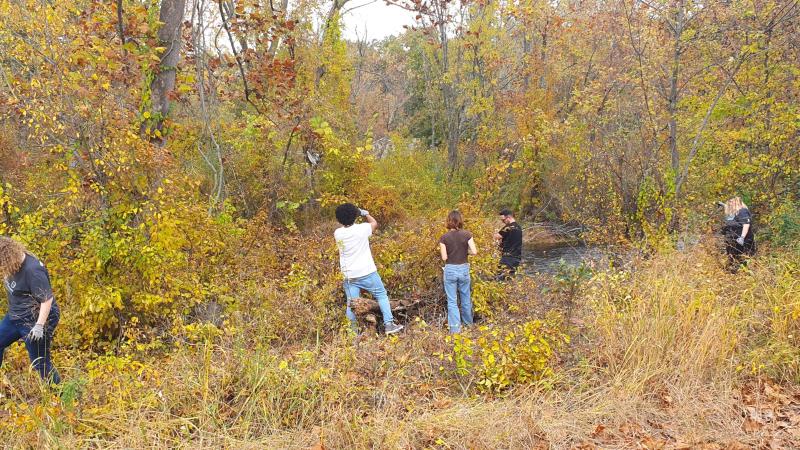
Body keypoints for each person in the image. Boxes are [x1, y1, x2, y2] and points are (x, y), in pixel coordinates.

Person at [334, 203, 404, 335]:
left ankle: (352, 333)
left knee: (351, 303)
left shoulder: (338, 233)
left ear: (339, 219)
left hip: (349, 275)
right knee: (381, 295)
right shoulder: (362, 229)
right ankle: (389, 324)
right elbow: (374, 223)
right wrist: (364, 213)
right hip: (367, 272)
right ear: (355, 216)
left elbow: (346, 225)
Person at [0, 237, 61, 384]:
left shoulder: (33, 270)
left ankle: (60, 397)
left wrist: (39, 326)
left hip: (36, 319)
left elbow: (47, 300)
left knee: (40, 362)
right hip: (16, 316)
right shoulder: (12, 265)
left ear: (8, 257)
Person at [438, 210, 478, 333]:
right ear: (460, 220)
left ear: (448, 221)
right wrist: (466, 252)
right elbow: (475, 251)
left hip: (450, 269)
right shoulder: (467, 234)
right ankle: (468, 325)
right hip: (464, 269)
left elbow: (444, 258)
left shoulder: (444, 238)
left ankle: (455, 330)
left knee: (452, 301)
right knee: (466, 297)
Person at [720, 196, 756, 268]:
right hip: (732, 241)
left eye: (732, 202)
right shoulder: (733, 213)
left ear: (737, 203)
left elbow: (746, 225)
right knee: (733, 260)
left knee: (744, 260)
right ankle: (734, 274)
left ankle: (745, 275)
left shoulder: (743, 211)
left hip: (743, 241)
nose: (730, 204)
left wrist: (742, 237)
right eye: (729, 202)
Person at [494, 208, 523, 280]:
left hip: (507, 258)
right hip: (516, 258)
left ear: (509, 217)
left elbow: (496, 237)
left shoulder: (508, 227)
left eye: (503, 220)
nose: (503, 222)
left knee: (499, 280)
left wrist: (496, 232)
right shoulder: (519, 227)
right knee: (510, 279)